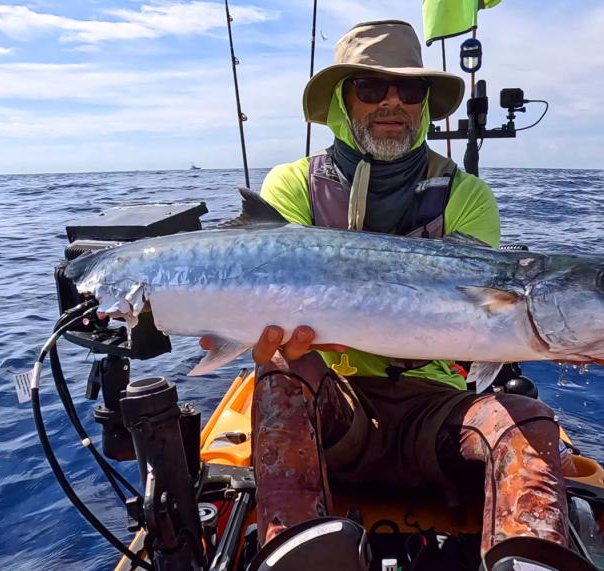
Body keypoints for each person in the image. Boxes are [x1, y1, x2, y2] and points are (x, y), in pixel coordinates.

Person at [224, 20, 569, 558]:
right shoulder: (292, 185)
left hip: (434, 408)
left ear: (426, 103)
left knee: (526, 421)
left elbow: (481, 323)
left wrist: (571, 341)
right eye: (370, 88)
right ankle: (293, 552)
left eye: (410, 90)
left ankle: (528, 562)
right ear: (344, 100)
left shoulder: (467, 194)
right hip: (334, 399)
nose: (392, 103)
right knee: (280, 379)